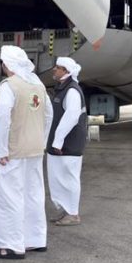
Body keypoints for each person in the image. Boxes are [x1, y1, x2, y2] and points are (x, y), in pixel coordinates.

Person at [0, 45, 52, 259]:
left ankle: (10, 244)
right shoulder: (38, 85)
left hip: (12, 151)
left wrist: (1, 149)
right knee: (33, 194)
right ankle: (35, 239)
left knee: (7, 196)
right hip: (34, 149)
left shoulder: (9, 86)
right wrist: (41, 140)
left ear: (8, 65)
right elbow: (49, 116)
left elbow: (4, 119)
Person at [47, 57, 88, 226]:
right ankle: (66, 210)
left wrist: (57, 141)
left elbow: (71, 117)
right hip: (62, 144)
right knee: (60, 178)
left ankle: (73, 214)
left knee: (69, 178)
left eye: (58, 68)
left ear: (66, 71)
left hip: (68, 144)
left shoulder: (72, 90)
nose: (54, 70)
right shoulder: (63, 89)